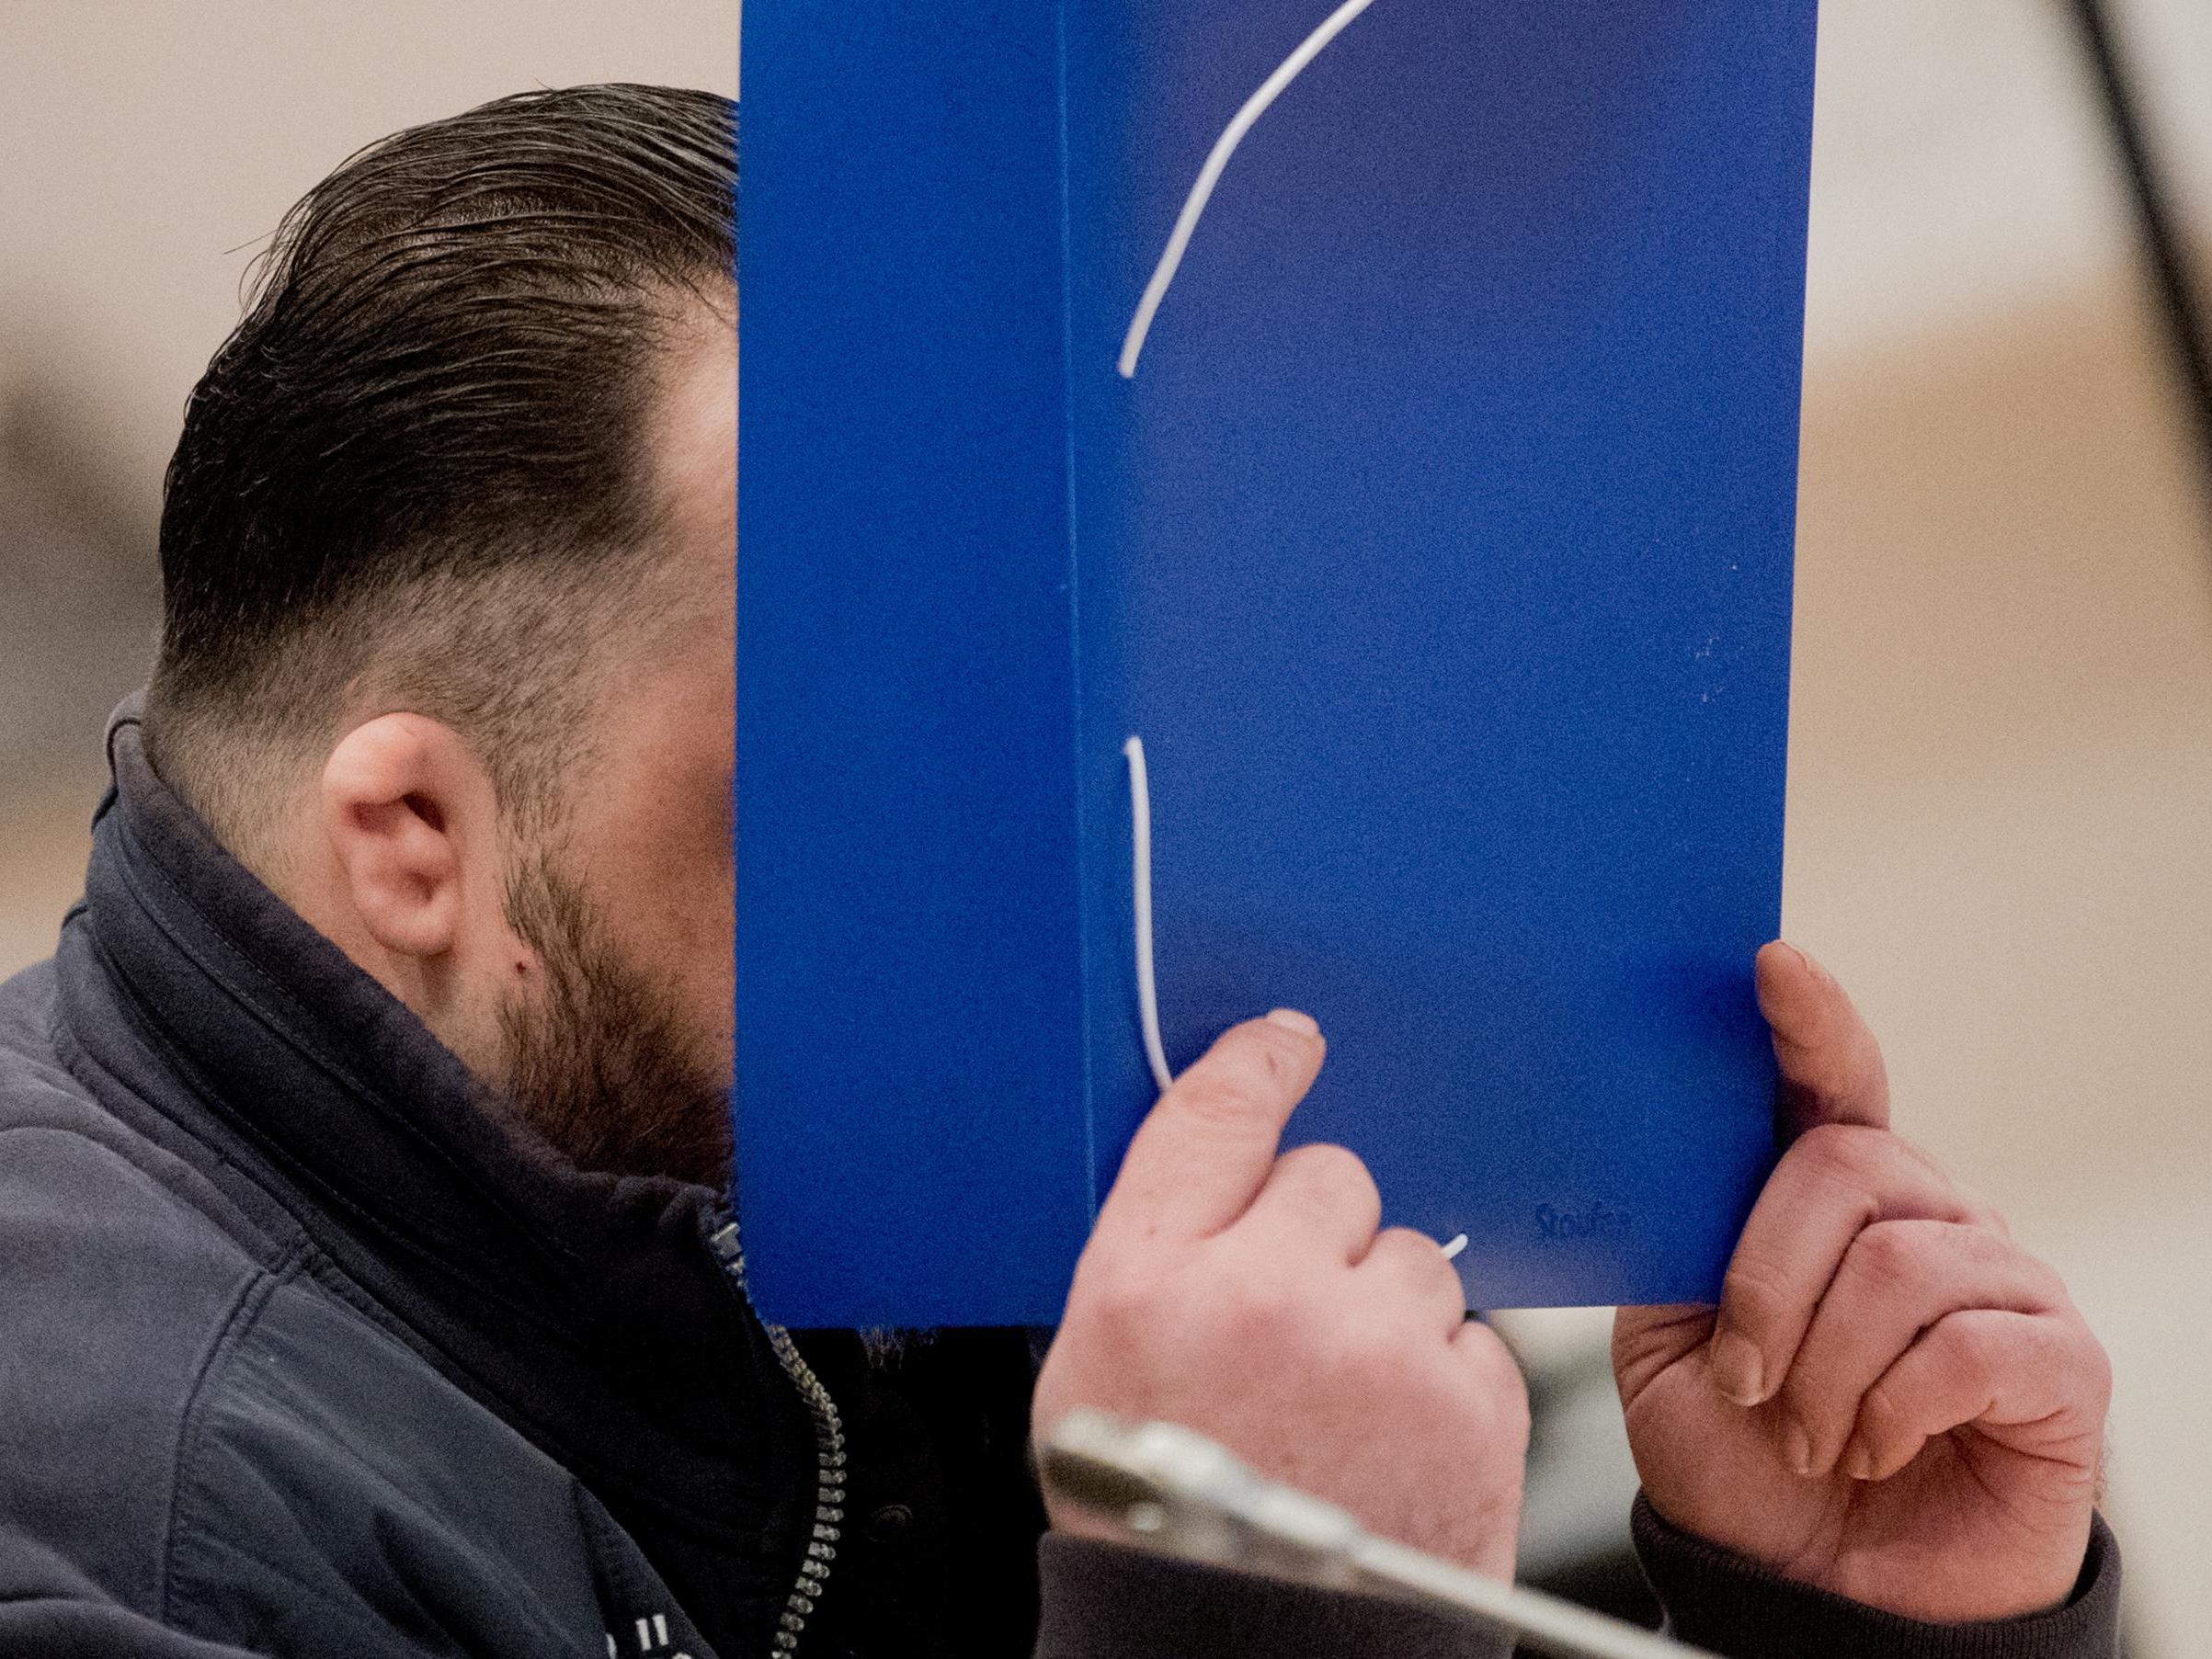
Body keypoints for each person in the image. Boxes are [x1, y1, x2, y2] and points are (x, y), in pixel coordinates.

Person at [0, 85, 2117, 1659]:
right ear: (414, 844)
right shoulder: (111, 1517)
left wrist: (1858, 1622)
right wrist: (1260, 1619)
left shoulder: (835, 1191)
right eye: (881, 779)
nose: (1032, 895)